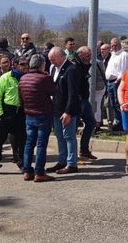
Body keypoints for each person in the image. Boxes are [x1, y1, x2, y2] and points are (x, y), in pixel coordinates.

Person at [18, 54, 58, 182]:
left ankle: (27, 170)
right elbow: (55, 92)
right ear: (42, 65)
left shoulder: (23, 79)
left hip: (29, 114)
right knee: (41, 144)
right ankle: (39, 172)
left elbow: (21, 98)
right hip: (43, 114)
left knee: (29, 144)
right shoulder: (44, 78)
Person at [46, 47, 81, 175]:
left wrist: (68, 112)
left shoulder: (71, 70)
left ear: (61, 57)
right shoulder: (53, 68)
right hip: (56, 109)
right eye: (50, 60)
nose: (51, 62)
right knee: (60, 137)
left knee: (69, 137)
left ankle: (71, 164)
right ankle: (62, 161)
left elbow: (73, 93)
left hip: (67, 111)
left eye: (53, 59)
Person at [0, 55, 26, 176]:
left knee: (21, 141)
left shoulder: (26, 78)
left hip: (20, 113)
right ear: (15, 65)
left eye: (26, 64)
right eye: (22, 64)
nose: (25, 67)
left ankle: (22, 164)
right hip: (6, 112)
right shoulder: (5, 78)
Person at [72, 46, 98, 162]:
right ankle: (72, 155)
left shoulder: (83, 64)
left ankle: (84, 150)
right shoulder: (74, 66)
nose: (90, 58)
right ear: (81, 55)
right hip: (76, 101)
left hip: (84, 100)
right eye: (88, 56)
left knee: (91, 123)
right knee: (73, 128)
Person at [104, 38, 128, 131]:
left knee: (119, 103)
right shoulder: (113, 55)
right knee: (114, 104)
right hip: (110, 82)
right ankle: (118, 122)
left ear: (119, 44)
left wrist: (118, 81)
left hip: (117, 82)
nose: (113, 47)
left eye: (115, 45)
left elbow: (124, 70)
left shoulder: (123, 55)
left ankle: (123, 124)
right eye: (112, 45)